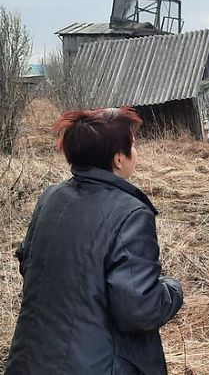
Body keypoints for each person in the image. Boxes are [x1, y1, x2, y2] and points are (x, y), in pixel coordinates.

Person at [6, 107, 183, 375]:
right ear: (118, 159)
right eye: (132, 146)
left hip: (32, 359)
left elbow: (29, 265)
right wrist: (172, 290)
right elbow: (139, 308)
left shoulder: (51, 197)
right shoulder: (132, 214)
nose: (135, 154)